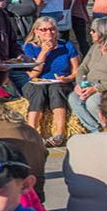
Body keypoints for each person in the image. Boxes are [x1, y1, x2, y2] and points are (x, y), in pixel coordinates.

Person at [66, 16, 107, 134]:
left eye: (93, 31)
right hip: (90, 84)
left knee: (93, 102)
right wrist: (80, 84)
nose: (90, 33)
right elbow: (83, 68)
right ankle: (94, 130)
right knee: (73, 98)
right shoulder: (95, 48)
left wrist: (97, 89)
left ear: (104, 33)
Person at [19, 16, 78, 146]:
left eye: (52, 29)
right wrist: (44, 52)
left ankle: (59, 133)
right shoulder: (29, 48)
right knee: (38, 91)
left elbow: (76, 72)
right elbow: (32, 74)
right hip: (37, 82)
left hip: (60, 82)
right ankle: (32, 132)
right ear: (36, 31)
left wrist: (67, 78)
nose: (48, 33)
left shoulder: (66, 46)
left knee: (56, 90)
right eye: (44, 30)